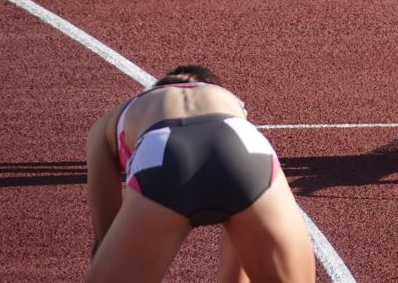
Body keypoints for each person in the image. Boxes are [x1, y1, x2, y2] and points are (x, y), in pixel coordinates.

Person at [85, 64, 315, 282]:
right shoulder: (227, 100)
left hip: (160, 152)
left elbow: (104, 236)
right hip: (243, 142)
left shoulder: (112, 120)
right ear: (209, 85)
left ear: (158, 87)